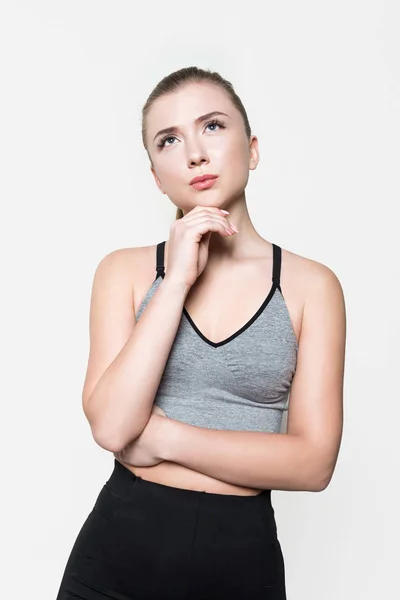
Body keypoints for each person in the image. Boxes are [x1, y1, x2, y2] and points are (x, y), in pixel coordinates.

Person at [56, 66, 346, 600]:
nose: (194, 153)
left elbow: (314, 463)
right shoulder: (124, 272)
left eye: (212, 126)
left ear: (252, 149)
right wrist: (177, 281)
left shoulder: (312, 286)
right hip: (118, 553)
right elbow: (113, 428)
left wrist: (166, 437)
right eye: (170, 140)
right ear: (156, 175)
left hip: (241, 558)